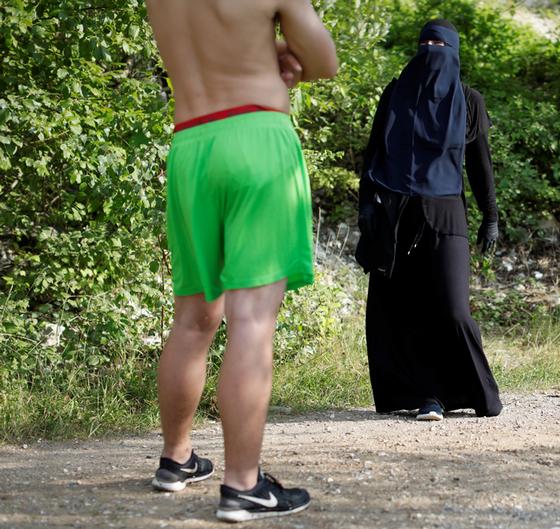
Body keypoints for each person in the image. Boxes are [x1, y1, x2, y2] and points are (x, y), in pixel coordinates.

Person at [144, 0, 337, 522]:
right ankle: (243, 486)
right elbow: (323, 63)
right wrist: (277, 50)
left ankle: (177, 459)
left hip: (191, 145)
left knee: (193, 317)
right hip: (255, 137)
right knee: (251, 319)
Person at [355, 19, 503, 422]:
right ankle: (429, 395)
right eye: (425, 43)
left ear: (453, 51)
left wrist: (490, 216)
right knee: (402, 311)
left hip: (447, 211)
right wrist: (366, 206)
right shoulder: (396, 94)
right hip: (396, 214)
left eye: (440, 44)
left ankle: (479, 393)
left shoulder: (469, 100)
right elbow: (374, 156)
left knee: (453, 308)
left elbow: (480, 164)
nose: (431, 50)